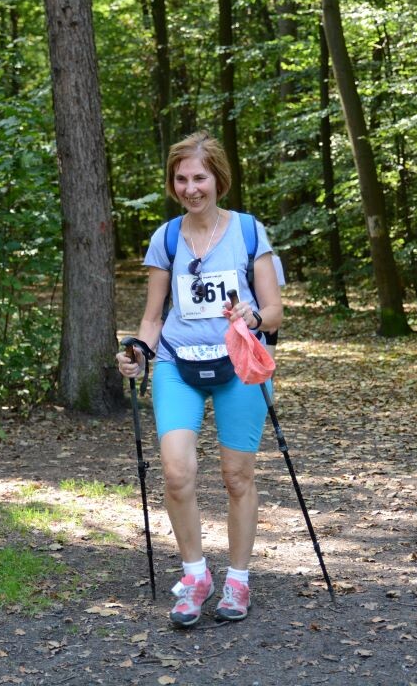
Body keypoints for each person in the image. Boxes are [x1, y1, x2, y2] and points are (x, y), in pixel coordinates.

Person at [116, 131, 282, 627]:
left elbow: (274, 312)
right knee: (176, 472)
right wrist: (138, 352)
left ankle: (238, 580)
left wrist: (252, 316)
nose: (191, 188)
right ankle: (195, 577)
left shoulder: (248, 232)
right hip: (177, 364)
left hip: (240, 365)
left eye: (200, 178)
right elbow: (152, 318)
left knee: (237, 476)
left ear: (218, 180)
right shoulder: (166, 238)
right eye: (181, 179)